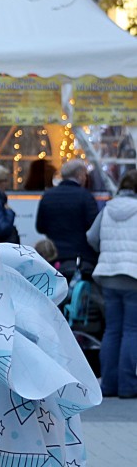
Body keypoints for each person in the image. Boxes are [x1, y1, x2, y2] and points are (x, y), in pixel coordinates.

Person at [86, 170, 137, 398]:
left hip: (108, 275)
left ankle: (108, 384)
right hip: (133, 276)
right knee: (131, 330)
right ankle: (127, 386)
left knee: (112, 330)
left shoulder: (107, 209)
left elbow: (91, 237)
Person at [37, 158, 100, 279]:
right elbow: (94, 226)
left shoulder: (48, 196)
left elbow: (40, 226)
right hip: (81, 256)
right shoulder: (85, 196)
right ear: (80, 175)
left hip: (53, 255)